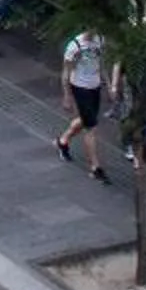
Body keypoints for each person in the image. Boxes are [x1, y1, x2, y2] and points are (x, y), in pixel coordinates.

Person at [56, 30, 111, 183]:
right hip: (80, 88)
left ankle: (63, 140)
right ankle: (95, 167)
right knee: (91, 127)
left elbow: (102, 63)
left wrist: (108, 84)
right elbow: (66, 72)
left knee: (87, 119)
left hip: (95, 87)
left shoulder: (100, 39)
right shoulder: (75, 46)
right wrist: (67, 95)